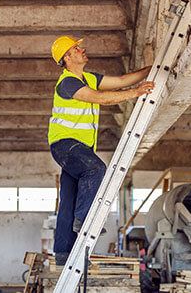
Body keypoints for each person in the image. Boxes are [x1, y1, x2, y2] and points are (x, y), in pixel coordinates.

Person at [48, 35, 155, 266]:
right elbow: (99, 98)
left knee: (68, 199)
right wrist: (136, 93)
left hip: (77, 148)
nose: (82, 49)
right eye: (76, 48)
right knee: (96, 169)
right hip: (65, 145)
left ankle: (64, 253)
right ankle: (84, 219)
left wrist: (153, 69)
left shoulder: (87, 78)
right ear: (67, 58)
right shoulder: (67, 82)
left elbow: (123, 80)